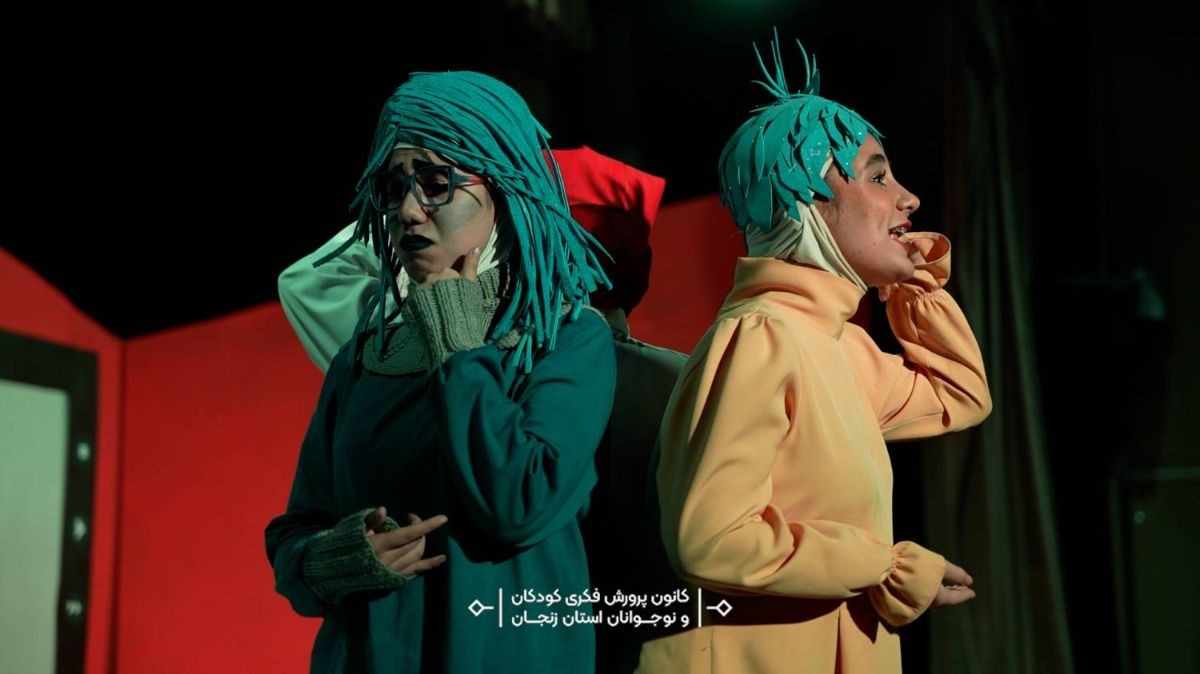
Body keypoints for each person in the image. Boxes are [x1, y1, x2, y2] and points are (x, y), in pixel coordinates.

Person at [642, 35, 993, 673]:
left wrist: (912, 284)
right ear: (805, 202)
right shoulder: (764, 337)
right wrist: (883, 567)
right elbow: (711, 540)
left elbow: (960, 396)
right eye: (878, 176)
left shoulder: (836, 345)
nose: (908, 198)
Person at [278, 144, 688, 673]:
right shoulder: (363, 358)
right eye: (393, 189)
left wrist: (456, 339)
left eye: (436, 183)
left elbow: (518, 503)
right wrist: (333, 561)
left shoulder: (567, 339)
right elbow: (297, 531)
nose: (408, 211)